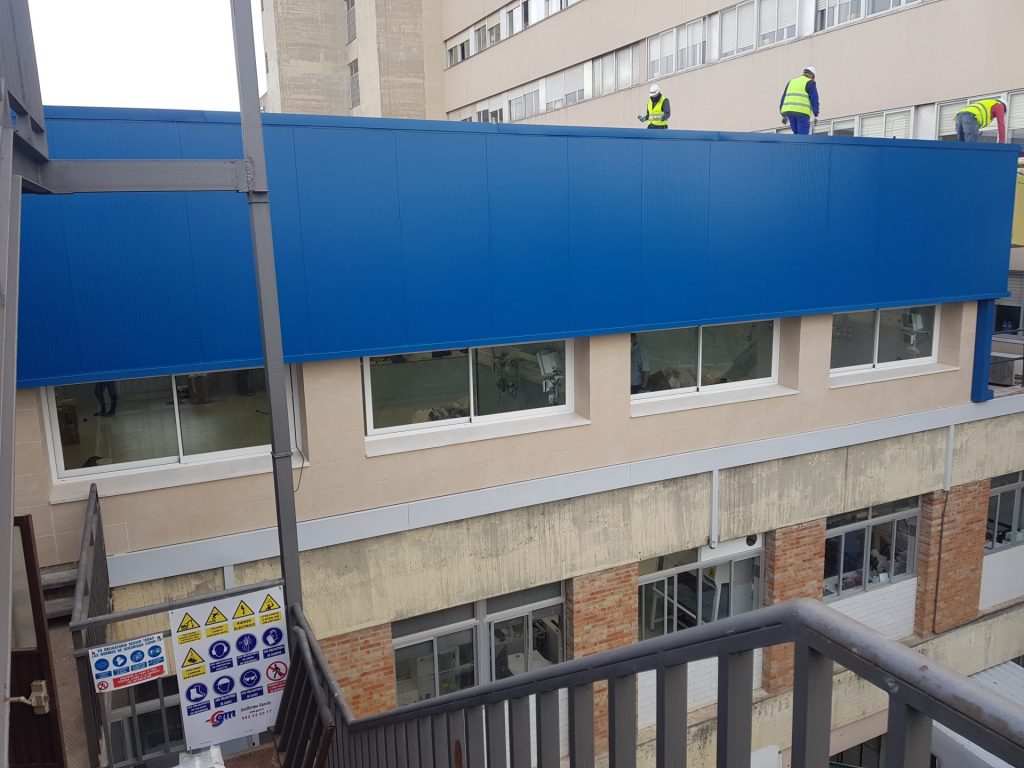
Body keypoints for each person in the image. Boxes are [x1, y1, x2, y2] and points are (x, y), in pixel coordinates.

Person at [779, 66, 820, 135]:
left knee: (796, 134)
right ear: (812, 75)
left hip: (789, 111)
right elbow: (814, 99)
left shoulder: (791, 81)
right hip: (802, 112)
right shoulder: (810, 82)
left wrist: (783, 115)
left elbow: (784, 98)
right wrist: (816, 115)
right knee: (802, 135)